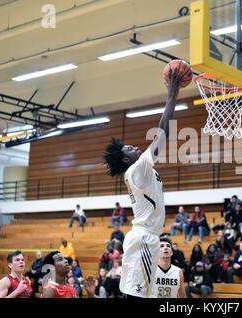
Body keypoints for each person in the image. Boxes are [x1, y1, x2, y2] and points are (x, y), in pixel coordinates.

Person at [103, 67, 184, 298]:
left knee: (139, 293)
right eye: (129, 148)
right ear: (127, 159)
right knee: (138, 295)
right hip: (144, 236)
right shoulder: (137, 169)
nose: (135, 147)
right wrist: (172, 95)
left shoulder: (141, 170)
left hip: (145, 236)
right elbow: (162, 133)